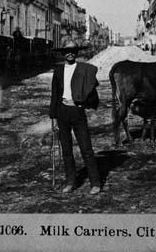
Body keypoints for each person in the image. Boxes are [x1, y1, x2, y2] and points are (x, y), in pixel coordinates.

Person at [49, 38, 101, 195]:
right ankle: (71, 182)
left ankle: (96, 183)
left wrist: (82, 104)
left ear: (76, 53)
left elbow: (93, 95)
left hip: (77, 112)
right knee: (66, 150)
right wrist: (53, 117)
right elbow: (55, 95)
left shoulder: (85, 70)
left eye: (73, 51)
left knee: (86, 148)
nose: (70, 54)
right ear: (63, 54)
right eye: (66, 51)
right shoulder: (58, 71)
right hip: (62, 112)